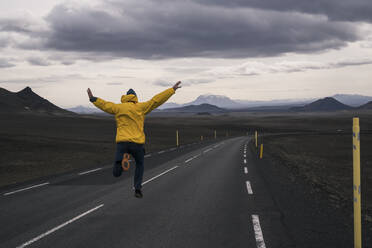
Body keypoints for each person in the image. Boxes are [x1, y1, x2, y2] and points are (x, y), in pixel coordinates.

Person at [87, 82, 182, 198]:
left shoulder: (118, 107)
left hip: (122, 143)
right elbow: (156, 100)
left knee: (116, 173)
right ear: (135, 98)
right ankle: (137, 189)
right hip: (137, 144)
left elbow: (105, 105)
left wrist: (93, 98)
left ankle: (120, 164)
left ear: (125, 97)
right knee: (140, 164)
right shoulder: (141, 107)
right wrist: (171, 90)